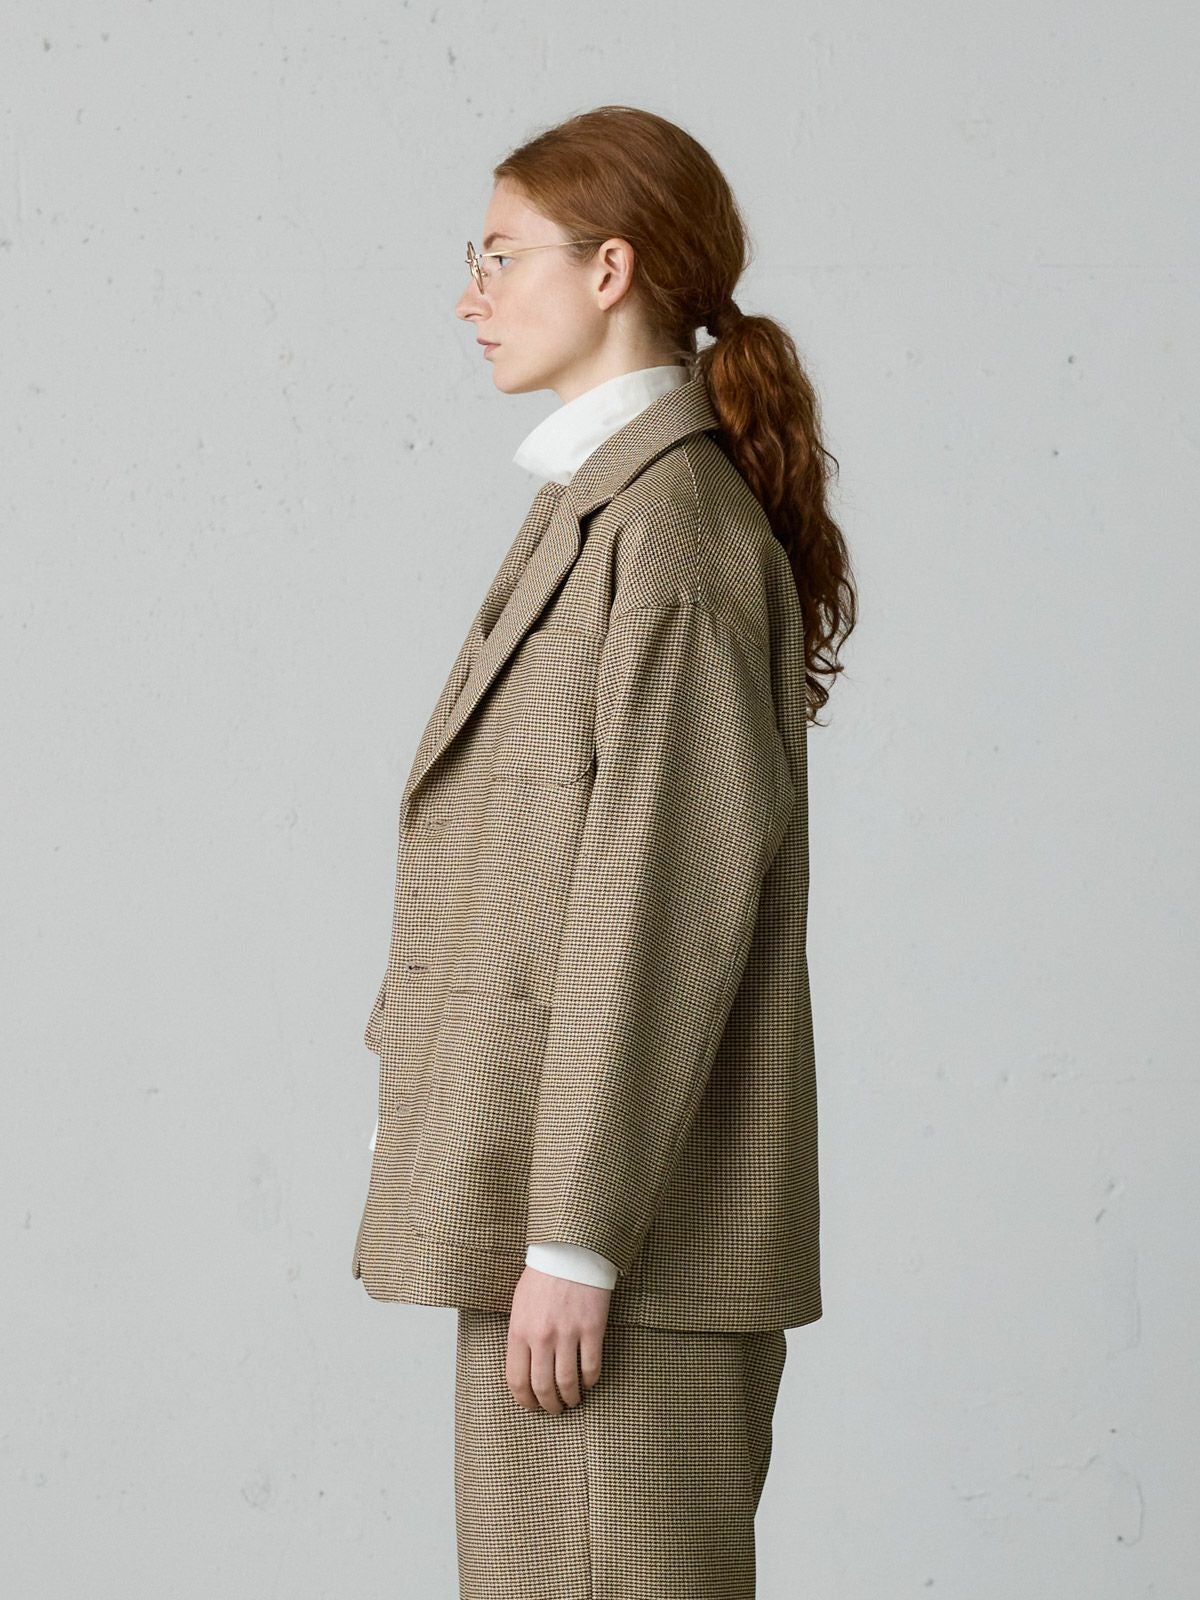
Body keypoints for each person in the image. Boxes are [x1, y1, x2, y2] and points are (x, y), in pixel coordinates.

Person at [352, 103, 856, 1598]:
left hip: (623, 1253)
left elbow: (656, 913)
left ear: (612, 268)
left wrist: (578, 1241)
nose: (471, 295)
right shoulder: (606, 510)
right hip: (566, 1236)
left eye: (500, 256)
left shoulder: (676, 538)